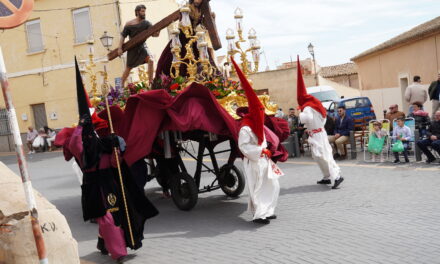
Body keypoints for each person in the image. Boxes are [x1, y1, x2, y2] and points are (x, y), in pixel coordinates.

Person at [232, 57, 281, 225]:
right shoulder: (246, 128)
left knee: (273, 185)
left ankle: (268, 210)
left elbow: (264, 140)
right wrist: (260, 152)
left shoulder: (258, 125)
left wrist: (267, 151)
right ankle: (259, 214)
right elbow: (243, 146)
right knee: (258, 187)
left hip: (264, 159)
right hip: (254, 161)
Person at [296, 57, 343, 189]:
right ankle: (327, 176)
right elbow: (323, 119)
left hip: (317, 135)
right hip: (318, 133)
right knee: (318, 156)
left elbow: (307, 119)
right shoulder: (315, 105)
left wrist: (301, 115)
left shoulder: (307, 108)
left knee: (323, 155)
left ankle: (336, 176)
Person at [118, 4, 160, 87]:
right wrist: (119, 48)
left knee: (151, 60)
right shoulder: (129, 24)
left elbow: (154, 34)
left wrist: (158, 31)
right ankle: (120, 87)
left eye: (144, 11)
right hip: (132, 49)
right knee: (128, 68)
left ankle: (151, 83)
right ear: (137, 12)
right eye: (142, 11)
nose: (144, 13)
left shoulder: (146, 23)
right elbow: (123, 36)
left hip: (142, 46)